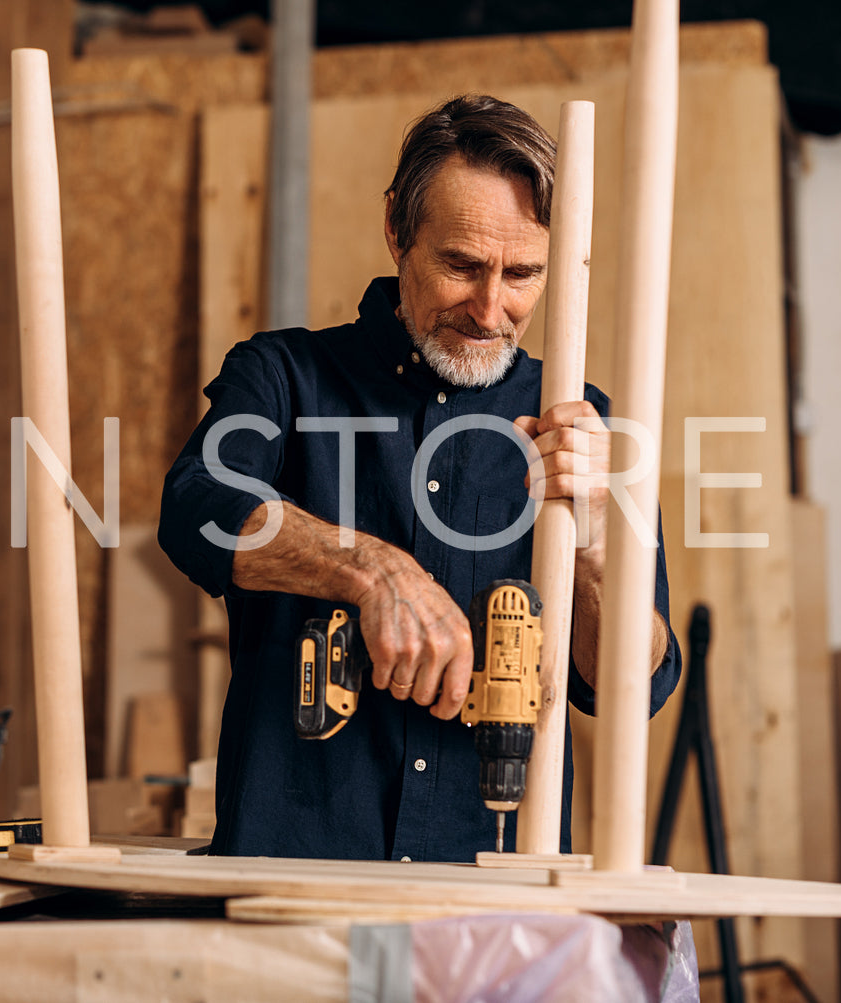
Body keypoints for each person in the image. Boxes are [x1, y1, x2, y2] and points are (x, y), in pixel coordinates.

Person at [157, 94, 682, 862]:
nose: (490, 307)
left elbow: (630, 685)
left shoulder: (579, 424)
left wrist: (597, 547)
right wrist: (370, 569)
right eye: (462, 266)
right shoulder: (285, 377)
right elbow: (195, 509)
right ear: (397, 228)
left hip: (491, 886)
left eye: (522, 274)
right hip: (296, 873)